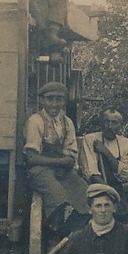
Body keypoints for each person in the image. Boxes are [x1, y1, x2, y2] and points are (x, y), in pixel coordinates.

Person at [23, 81, 87, 234]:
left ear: (64, 101)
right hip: (39, 172)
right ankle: (53, 235)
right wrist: (60, 162)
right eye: (50, 99)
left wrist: (65, 162)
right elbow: (32, 158)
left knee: (87, 198)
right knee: (58, 198)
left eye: (59, 99)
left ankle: (69, 235)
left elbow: (70, 156)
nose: (54, 104)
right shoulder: (35, 121)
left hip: (62, 171)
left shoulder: (67, 122)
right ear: (42, 100)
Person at [79, 106, 128, 212]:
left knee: (122, 215)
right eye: (106, 122)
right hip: (95, 187)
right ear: (101, 122)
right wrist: (108, 192)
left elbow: (124, 174)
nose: (109, 126)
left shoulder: (127, 144)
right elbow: (91, 173)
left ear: (121, 125)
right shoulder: (90, 139)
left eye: (114, 122)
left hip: (117, 187)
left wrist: (105, 152)